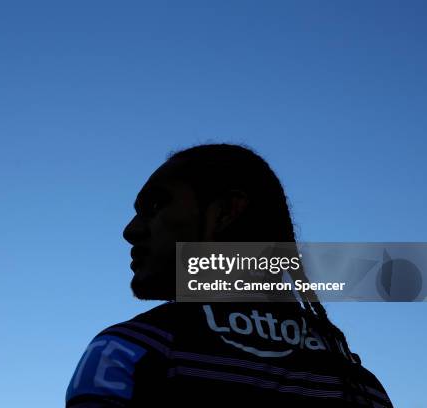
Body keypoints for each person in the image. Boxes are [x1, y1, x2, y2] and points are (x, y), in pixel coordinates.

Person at [65, 143, 392, 407]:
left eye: (154, 207)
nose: (131, 230)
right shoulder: (357, 384)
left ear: (225, 211)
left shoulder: (129, 352)